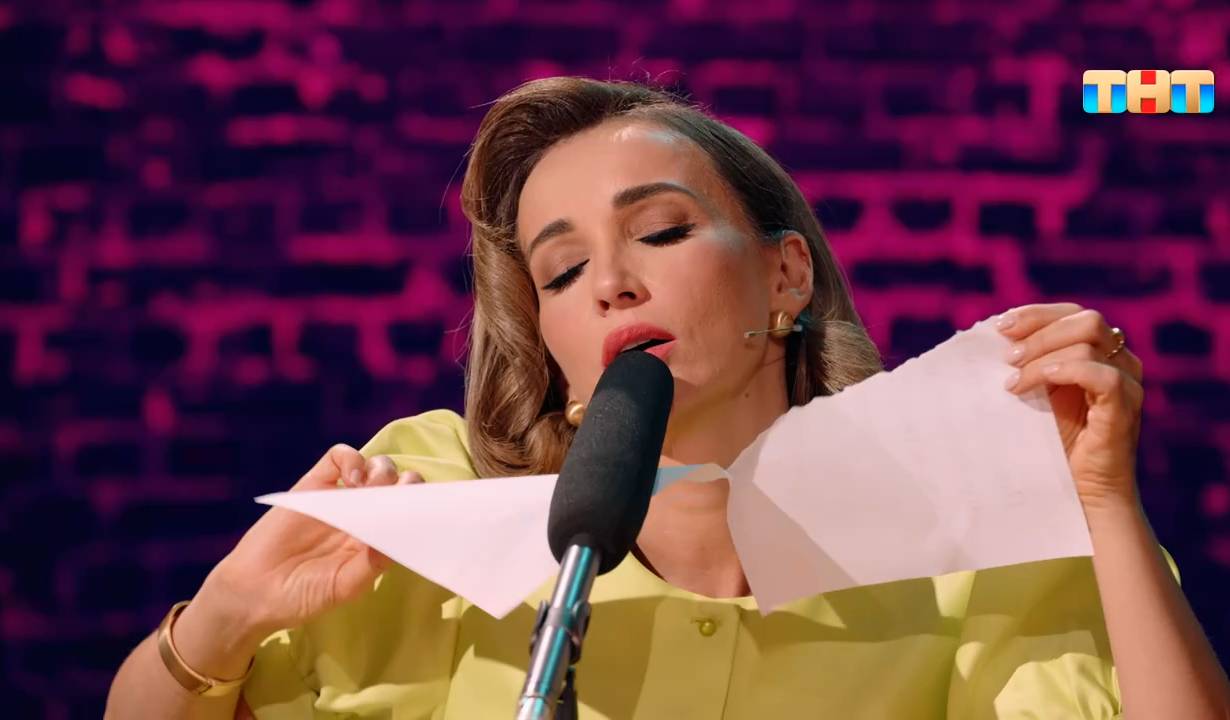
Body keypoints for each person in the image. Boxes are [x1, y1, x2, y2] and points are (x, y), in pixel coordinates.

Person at [105, 76, 1230, 719]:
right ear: (549, 340)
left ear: (785, 276)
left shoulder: (976, 544)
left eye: (660, 231)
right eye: (560, 271)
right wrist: (224, 620)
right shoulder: (425, 504)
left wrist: (1104, 504)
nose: (610, 282)